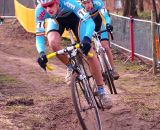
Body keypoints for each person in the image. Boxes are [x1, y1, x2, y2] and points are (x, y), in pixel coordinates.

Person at [35, 0, 112, 109]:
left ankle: (101, 91)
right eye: (45, 6)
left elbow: (90, 22)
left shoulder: (68, 2)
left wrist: (86, 38)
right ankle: (70, 66)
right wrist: (41, 53)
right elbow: (39, 35)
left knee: (89, 51)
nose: (48, 9)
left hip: (76, 19)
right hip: (56, 21)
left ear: (57, 2)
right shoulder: (40, 11)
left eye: (50, 5)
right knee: (53, 43)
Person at [80, 0, 120, 80]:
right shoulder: (79, 8)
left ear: (92, 2)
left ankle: (113, 69)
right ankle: (99, 69)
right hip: (88, 27)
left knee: (105, 46)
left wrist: (108, 24)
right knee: (90, 49)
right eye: (84, 3)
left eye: (88, 2)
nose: (87, 5)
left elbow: (106, 16)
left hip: (101, 24)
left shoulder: (98, 3)